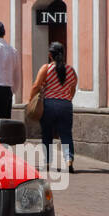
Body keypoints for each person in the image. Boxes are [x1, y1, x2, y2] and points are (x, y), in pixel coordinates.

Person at [31, 41, 78, 174]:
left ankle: (47, 162)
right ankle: (69, 160)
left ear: (50, 55)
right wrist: (67, 99)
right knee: (66, 134)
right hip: (66, 105)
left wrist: (30, 100)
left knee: (47, 134)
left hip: (49, 105)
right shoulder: (71, 70)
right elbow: (73, 88)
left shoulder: (46, 68)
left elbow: (36, 85)